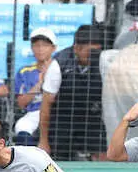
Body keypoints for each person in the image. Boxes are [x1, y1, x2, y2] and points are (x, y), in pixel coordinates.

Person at [43, 24, 107, 162]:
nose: (94, 56)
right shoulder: (59, 64)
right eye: (90, 52)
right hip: (63, 119)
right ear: (77, 48)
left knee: (104, 158)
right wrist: (44, 141)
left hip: (92, 119)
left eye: (97, 51)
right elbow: (46, 104)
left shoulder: (104, 63)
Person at [12, 29, 60, 148]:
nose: (40, 49)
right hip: (34, 112)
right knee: (22, 127)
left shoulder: (61, 67)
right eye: (36, 45)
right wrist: (40, 83)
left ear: (53, 48)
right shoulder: (24, 71)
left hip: (56, 112)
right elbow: (22, 103)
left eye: (45, 45)